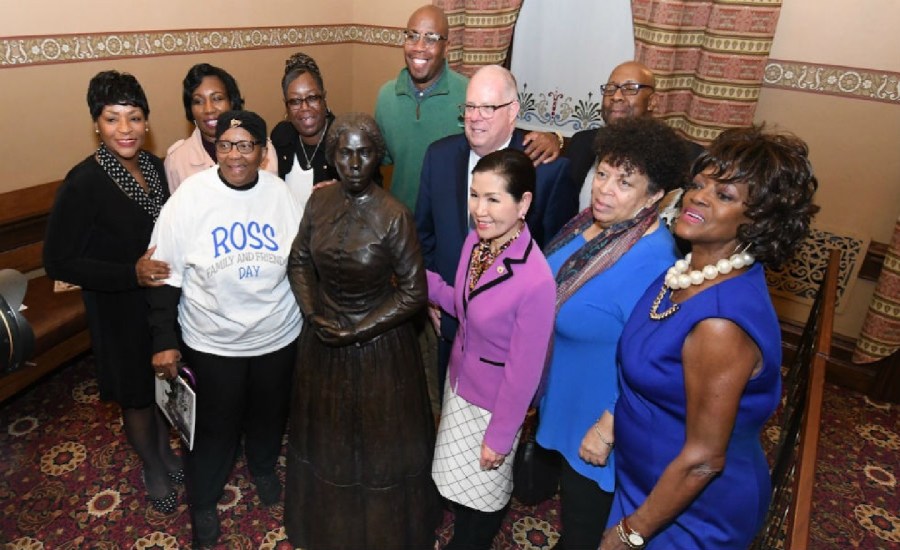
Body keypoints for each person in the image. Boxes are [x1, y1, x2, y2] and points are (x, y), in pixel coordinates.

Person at [600, 126, 819, 549]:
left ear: (756, 219)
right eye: (699, 185)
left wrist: (630, 533)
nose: (698, 196)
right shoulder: (685, 271)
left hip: (692, 509)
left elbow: (702, 461)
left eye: (725, 195)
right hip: (645, 480)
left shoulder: (720, 324)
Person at [284, 113, 439, 550]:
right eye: (345, 152)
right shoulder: (318, 202)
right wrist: (313, 313)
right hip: (322, 342)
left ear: (378, 157)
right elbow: (298, 262)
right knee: (327, 441)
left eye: (365, 152)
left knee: (376, 450)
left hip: (379, 350)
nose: (354, 163)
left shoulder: (395, 216)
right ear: (332, 156)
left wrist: (355, 332)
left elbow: (413, 293)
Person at [148, 110, 302, 548]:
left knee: (270, 415)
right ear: (215, 149)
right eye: (225, 145)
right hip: (213, 343)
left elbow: (300, 262)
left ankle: (263, 467)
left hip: (277, 336)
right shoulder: (190, 199)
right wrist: (164, 341)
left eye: (246, 144)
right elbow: (162, 274)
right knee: (212, 431)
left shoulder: (280, 194)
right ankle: (203, 501)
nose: (235, 154)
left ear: (263, 151)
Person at [535, 117, 690, 550]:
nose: (605, 188)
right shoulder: (590, 225)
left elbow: (661, 366)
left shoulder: (655, 264)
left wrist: (608, 428)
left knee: (585, 531)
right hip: (566, 395)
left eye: (625, 182)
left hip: (600, 417)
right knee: (573, 513)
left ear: (655, 195)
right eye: (602, 173)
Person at [43, 70, 182, 514]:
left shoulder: (154, 167)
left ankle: (163, 451)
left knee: (161, 385)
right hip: (116, 305)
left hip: (157, 302)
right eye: (112, 118)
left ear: (147, 121)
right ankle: (153, 466)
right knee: (136, 394)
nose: (125, 129)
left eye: (135, 117)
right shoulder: (83, 182)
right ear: (96, 125)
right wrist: (130, 273)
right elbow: (58, 261)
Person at [416, 64, 577, 398]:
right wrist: (431, 300)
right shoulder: (439, 156)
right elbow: (424, 235)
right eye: (470, 107)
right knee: (449, 411)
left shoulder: (547, 170)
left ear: (513, 111)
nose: (476, 117)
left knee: (500, 426)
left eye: (488, 107)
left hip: (510, 340)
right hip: (449, 319)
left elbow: (554, 257)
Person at [428, 148, 556, 549]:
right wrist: (419, 278)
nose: (479, 210)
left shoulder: (536, 280)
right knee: (455, 482)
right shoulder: (476, 244)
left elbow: (524, 372)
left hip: (494, 406)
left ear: (524, 204)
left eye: (493, 199)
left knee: (482, 501)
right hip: (459, 386)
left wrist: (500, 437)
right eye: (474, 195)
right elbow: (463, 309)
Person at [376, 4, 562, 213]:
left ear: (446, 47)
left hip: (453, 223)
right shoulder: (385, 97)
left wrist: (554, 138)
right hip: (400, 222)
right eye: (412, 36)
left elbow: (503, 139)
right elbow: (375, 164)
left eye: (431, 38)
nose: (419, 46)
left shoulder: (469, 95)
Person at [565, 61, 704, 211]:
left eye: (630, 89)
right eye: (610, 89)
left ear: (652, 102)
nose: (616, 96)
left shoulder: (685, 159)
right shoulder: (582, 143)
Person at [164, 63, 277, 192]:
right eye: (198, 101)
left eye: (217, 98)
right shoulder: (177, 159)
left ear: (232, 102)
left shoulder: (261, 148)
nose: (209, 109)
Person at [270, 52, 348, 212]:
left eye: (312, 98)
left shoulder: (346, 142)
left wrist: (346, 193)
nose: (304, 108)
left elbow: (374, 198)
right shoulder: (281, 136)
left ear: (324, 99)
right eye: (295, 101)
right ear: (286, 106)